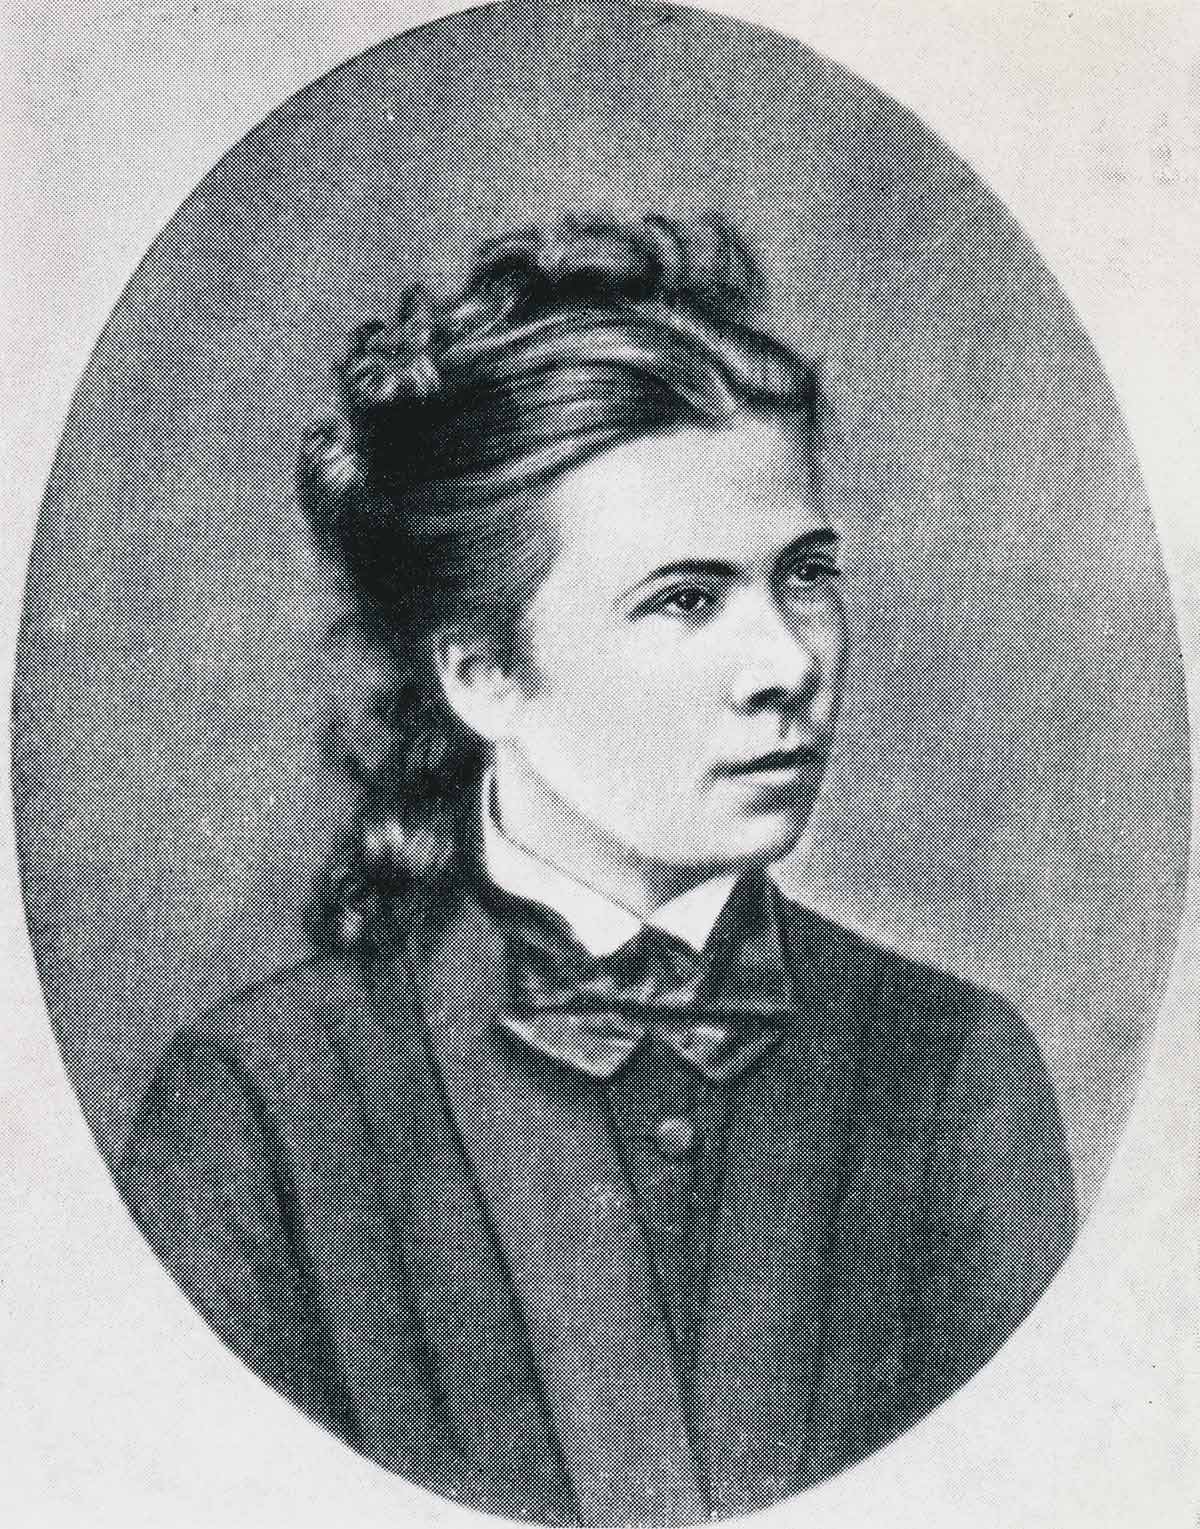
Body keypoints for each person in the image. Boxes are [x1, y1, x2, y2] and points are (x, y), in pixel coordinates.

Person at [118, 215, 1077, 1526]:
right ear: (482, 674)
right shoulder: (260, 1109)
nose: (788, 663)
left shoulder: (955, 1067)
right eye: (686, 597)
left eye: (804, 576)